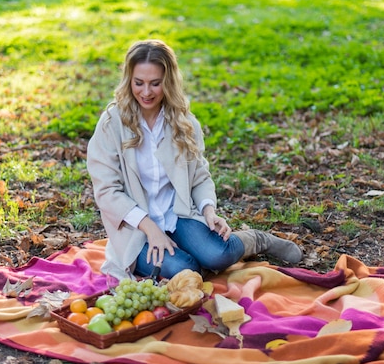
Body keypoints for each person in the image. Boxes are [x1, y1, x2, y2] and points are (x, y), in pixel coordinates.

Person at [86, 39, 302, 281]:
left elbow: (200, 176)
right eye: (139, 83)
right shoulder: (111, 124)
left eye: (155, 84)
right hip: (137, 228)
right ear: (129, 81)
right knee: (184, 270)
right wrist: (151, 229)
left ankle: (256, 239)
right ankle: (188, 253)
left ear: (168, 82)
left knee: (217, 255)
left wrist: (209, 211)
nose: (146, 92)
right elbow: (106, 191)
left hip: (177, 215)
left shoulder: (183, 122)